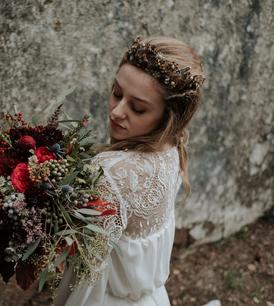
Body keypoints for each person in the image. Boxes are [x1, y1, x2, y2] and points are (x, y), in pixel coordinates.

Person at [52, 35, 206, 306]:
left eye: (137, 107)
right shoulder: (172, 146)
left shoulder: (111, 173)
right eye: (116, 92)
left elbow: (88, 275)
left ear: (167, 118)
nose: (117, 111)